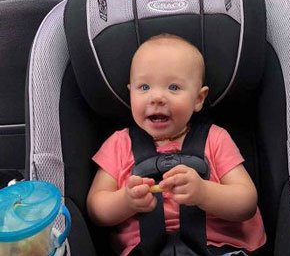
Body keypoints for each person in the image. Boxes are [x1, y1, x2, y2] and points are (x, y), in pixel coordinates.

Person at [87, 34, 266, 256]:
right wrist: (126, 200)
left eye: (173, 87)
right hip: (144, 249)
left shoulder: (215, 139)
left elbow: (246, 203)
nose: (157, 97)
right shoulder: (119, 144)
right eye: (144, 87)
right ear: (130, 92)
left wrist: (203, 193)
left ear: (198, 99)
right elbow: (96, 208)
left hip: (218, 248)